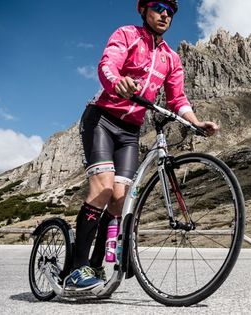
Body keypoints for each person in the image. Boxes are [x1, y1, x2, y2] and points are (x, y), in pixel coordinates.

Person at [68, 0, 219, 289]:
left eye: (171, 11)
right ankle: (77, 266)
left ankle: (96, 267)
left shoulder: (171, 59)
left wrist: (196, 123)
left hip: (130, 130)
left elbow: (177, 99)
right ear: (143, 9)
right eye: (159, 6)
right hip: (101, 119)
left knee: (119, 201)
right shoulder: (127, 35)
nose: (165, 14)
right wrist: (118, 82)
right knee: (103, 188)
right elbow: (107, 65)